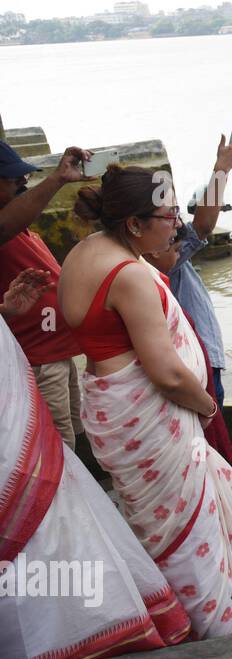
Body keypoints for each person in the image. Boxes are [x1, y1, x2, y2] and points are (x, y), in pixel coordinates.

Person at [58, 165, 232, 638]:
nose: (178, 224)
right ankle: (212, 624)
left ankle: (169, 608)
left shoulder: (82, 253)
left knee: (155, 524)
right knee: (187, 528)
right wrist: (208, 407)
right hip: (145, 418)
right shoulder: (128, 274)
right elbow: (167, 373)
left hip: (113, 409)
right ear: (134, 223)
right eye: (169, 215)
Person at [1, 269, 191, 659]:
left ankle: (86, 621)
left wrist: (5, 312)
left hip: (14, 390)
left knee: (54, 499)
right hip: (12, 412)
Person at [0, 142, 93, 448]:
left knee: (73, 431)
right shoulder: (7, 230)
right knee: (57, 442)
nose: (23, 185)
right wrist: (59, 179)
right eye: (14, 179)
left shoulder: (22, 226)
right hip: (39, 357)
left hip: (59, 352)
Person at [167, 133, 232, 407]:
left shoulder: (160, 257)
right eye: (169, 216)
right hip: (196, 366)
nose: (177, 223)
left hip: (197, 361)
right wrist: (222, 169)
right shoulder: (163, 258)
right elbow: (201, 227)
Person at [144, 233, 232, 464]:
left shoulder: (156, 272)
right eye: (175, 248)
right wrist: (209, 408)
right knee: (202, 457)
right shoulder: (154, 275)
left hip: (196, 379)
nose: (179, 251)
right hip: (192, 387)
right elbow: (171, 379)